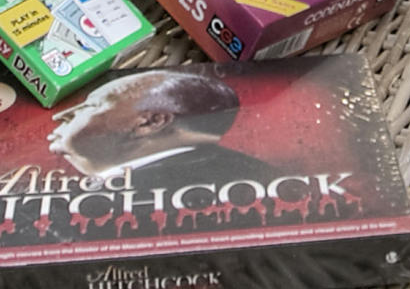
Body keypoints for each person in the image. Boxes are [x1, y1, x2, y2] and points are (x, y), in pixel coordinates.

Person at [47, 68, 287, 195]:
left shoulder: (131, 199)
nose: (61, 115)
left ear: (150, 123)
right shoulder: (248, 173)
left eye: (92, 105)